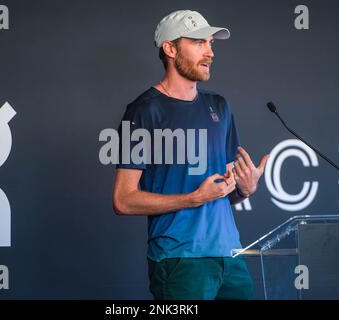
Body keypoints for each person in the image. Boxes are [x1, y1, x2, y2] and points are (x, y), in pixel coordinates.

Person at [112, 9, 269, 300]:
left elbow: (222, 190)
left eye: (211, 43)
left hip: (230, 256)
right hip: (179, 261)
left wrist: (246, 188)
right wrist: (193, 198)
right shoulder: (143, 111)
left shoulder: (219, 106)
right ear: (170, 49)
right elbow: (123, 200)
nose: (210, 52)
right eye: (198, 42)